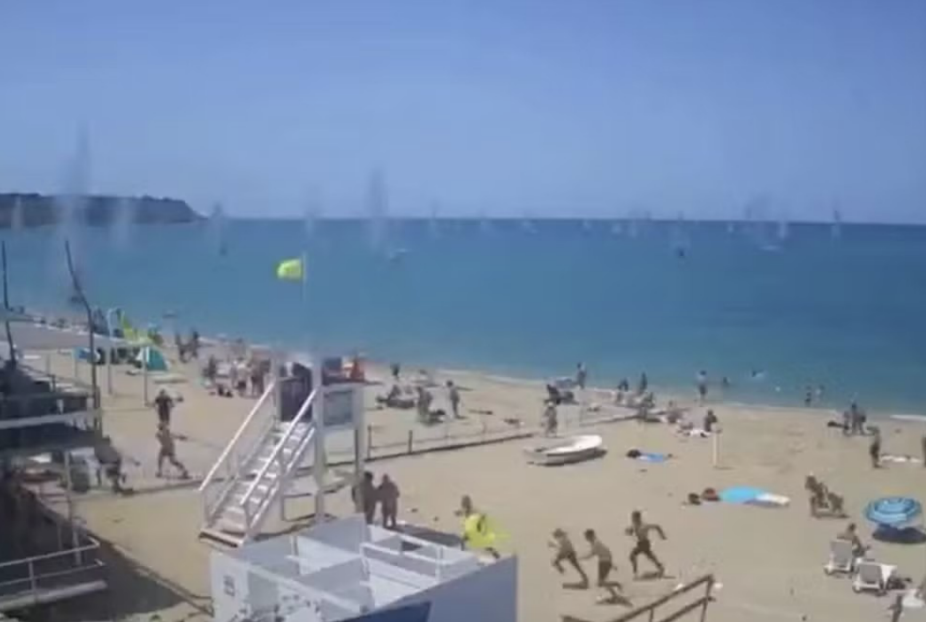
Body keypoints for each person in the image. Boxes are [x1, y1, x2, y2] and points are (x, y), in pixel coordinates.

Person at [581, 529, 622, 603]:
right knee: (602, 582)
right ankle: (616, 589)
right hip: (604, 562)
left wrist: (581, 558)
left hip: (604, 562)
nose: (586, 539)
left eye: (586, 537)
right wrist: (611, 564)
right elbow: (607, 552)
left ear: (590, 536)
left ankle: (615, 593)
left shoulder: (596, 543)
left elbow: (591, 554)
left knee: (601, 582)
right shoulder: (595, 543)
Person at [626, 510, 666, 578]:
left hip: (644, 543)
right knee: (650, 556)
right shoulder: (635, 525)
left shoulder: (643, 525)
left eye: (633, 518)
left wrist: (662, 535)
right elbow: (630, 530)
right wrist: (629, 532)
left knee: (632, 556)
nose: (632, 519)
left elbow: (657, 526)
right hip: (641, 544)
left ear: (637, 518)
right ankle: (660, 567)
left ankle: (635, 573)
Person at [458, 495, 500, 559]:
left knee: (484, 544)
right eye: (463, 503)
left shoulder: (473, 510)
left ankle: (495, 553)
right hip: (470, 531)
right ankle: (463, 553)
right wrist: (458, 513)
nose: (463, 505)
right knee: (462, 540)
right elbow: (461, 512)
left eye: (464, 503)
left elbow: (482, 516)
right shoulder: (466, 510)